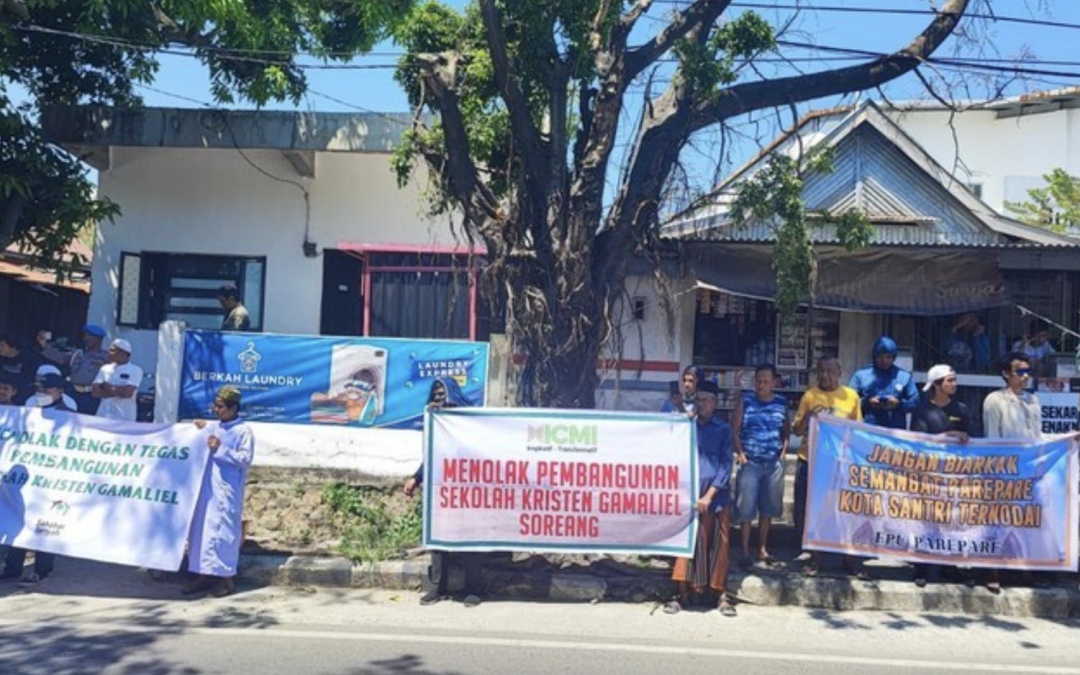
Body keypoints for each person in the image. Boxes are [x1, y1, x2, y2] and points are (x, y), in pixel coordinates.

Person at [404, 377, 484, 606]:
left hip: (468, 490)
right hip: (442, 492)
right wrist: (416, 477)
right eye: (436, 394)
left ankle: (474, 589)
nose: (440, 398)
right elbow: (431, 457)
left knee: (470, 541)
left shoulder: (471, 423)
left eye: (444, 393)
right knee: (438, 540)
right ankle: (438, 587)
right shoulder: (435, 425)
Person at [665, 381, 737, 617]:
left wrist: (709, 495)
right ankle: (681, 595)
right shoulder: (687, 427)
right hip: (689, 498)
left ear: (715, 403)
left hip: (715, 499)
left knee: (719, 547)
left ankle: (720, 596)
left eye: (706, 400)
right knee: (687, 548)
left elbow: (726, 466)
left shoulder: (723, 429)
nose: (702, 404)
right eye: (699, 399)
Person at [792, 356, 863, 578]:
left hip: (839, 463)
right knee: (812, 511)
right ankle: (815, 559)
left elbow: (858, 430)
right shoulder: (810, 396)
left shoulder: (851, 396)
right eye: (821, 371)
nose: (825, 376)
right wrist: (810, 418)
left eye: (830, 371)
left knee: (842, 511)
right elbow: (797, 430)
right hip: (811, 461)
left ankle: (849, 559)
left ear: (839, 372)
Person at [183, 386, 255, 598]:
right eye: (215, 405)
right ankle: (203, 575)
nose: (216, 410)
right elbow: (205, 432)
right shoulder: (215, 427)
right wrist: (199, 427)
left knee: (222, 533)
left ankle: (226, 580)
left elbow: (244, 459)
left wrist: (221, 448)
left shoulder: (243, 431)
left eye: (220, 406)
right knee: (201, 532)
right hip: (207, 489)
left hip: (226, 491)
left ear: (233, 408)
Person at [982, 352, 1044, 594]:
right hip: (1005, 470)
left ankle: (1024, 568)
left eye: (1028, 371)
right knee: (998, 521)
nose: (1025, 376)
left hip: (1028, 470)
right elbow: (992, 438)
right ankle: (992, 571)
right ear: (1006, 374)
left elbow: (1037, 436)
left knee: (1025, 520)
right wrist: (999, 471)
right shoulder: (994, 400)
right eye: (1020, 371)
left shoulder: (1034, 401)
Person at [908, 364, 975, 588]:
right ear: (937, 384)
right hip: (930, 475)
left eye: (954, 380)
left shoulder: (963, 409)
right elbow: (919, 439)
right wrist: (950, 434)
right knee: (927, 520)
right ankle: (922, 567)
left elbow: (973, 439)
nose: (954, 384)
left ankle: (949, 566)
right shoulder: (922, 410)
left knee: (951, 521)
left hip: (955, 476)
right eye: (949, 380)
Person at [4, 372, 73, 586]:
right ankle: (13, 567)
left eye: (45, 390)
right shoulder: (30, 412)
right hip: (26, 477)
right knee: (19, 519)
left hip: (51, 479)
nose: (40, 393)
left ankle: (42, 570)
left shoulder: (68, 415)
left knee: (44, 522)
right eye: (38, 389)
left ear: (59, 391)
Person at [732, 364, 789, 569]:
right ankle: (745, 551)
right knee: (746, 509)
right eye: (759, 380)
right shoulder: (745, 401)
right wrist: (740, 453)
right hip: (751, 462)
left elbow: (785, 432)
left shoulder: (781, 403)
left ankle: (763, 549)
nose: (762, 385)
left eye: (766, 381)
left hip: (773, 463)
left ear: (774, 382)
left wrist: (782, 454)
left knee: (768, 508)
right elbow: (735, 431)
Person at [849, 336, 919, 430]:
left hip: (894, 433)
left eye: (888, 357)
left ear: (894, 358)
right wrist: (867, 402)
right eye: (880, 356)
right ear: (875, 356)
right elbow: (849, 401)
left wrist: (898, 404)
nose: (884, 360)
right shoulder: (861, 375)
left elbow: (915, 402)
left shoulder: (904, 376)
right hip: (867, 431)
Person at [92, 339, 144, 422]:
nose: (109, 353)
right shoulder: (105, 368)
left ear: (123, 353)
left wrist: (106, 386)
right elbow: (95, 392)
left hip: (124, 418)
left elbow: (127, 393)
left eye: (112, 351)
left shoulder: (135, 370)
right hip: (103, 415)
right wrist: (118, 391)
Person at [68, 324, 109, 414]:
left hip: (91, 396)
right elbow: (61, 358)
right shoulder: (78, 354)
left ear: (99, 339)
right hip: (73, 393)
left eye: (90, 336)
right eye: (86, 335)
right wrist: (44, 347)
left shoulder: (106, 357)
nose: (86, 338)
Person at [0, 333, 43, 402]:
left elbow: (38, 380)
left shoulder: (30, 359)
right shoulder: (1, 359)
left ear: (13, 346)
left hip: (24, 397)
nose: (0, 348)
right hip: (3, 396)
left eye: (2, 346)